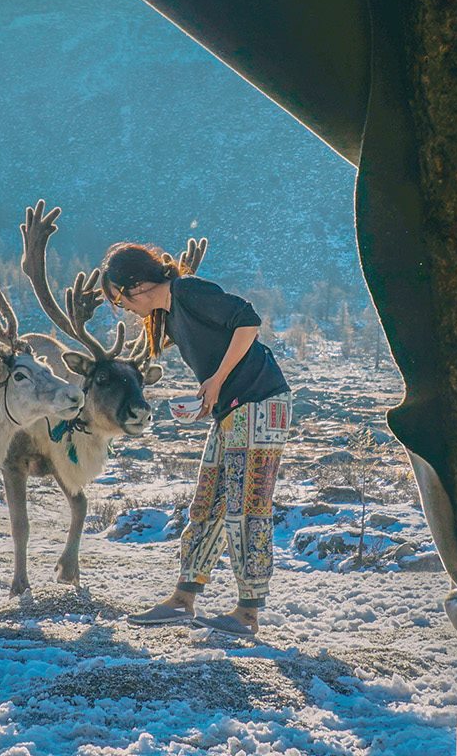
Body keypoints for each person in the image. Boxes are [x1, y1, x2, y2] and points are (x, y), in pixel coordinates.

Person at [100, 242, 293, 637]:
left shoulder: (188, 291)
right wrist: (210, 396)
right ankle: (183, 598)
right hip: (233, 409)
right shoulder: (169, 316)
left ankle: (247, 612)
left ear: (136, 285)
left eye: (119, 299)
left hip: (261, 402)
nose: (124, 310)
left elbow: (248, 322)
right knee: (207, 504)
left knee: (246, 505)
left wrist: (218, 380)